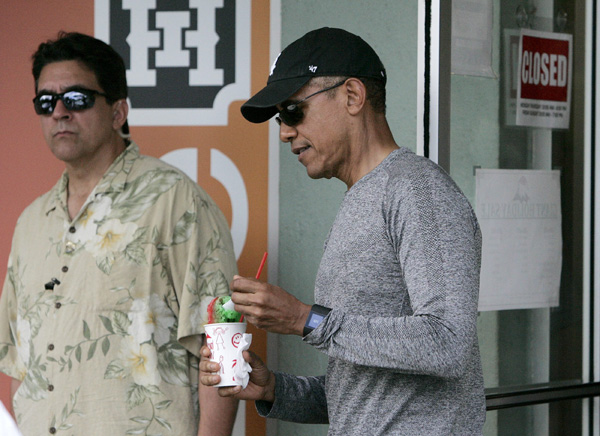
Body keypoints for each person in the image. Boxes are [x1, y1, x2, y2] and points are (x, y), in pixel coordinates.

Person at [200, 27, 486, 435]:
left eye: (294, 111)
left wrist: (305, 319)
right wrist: (273, 389)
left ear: (352, 96)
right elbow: (366, 397)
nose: (284, 131)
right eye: (281, 119)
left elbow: (447, 342)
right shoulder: (362, 197)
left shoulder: (418, 190)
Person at [0, 32, 239, 436]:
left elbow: (222, 342)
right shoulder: (30, 223)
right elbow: (20, 363)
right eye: (46, 101)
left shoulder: (175, 200)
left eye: (76, 98)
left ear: (118, 111)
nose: (58, 111)